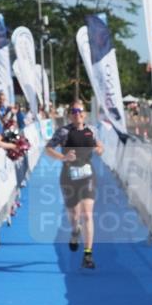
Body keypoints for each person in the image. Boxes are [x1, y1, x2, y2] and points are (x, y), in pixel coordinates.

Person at [45, 100, 105, 270]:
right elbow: (48, 148)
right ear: (70, 114)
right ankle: (74, 231)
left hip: (88, 177)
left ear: (84, 114)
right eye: (73, 111)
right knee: (74, 214)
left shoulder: (91, 130)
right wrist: (63, 158)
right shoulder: (63, 132)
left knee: (87, 214)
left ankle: (88, 254)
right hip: (68, 177)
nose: (77, 113)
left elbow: (99, 145)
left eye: (79, 110)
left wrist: (100, 149)